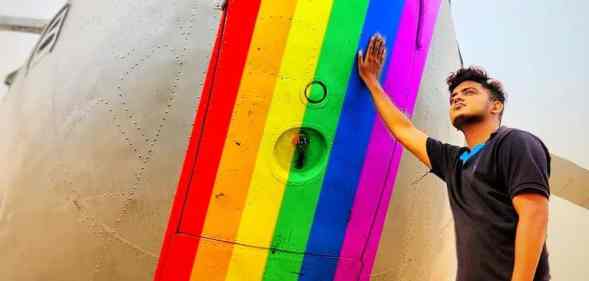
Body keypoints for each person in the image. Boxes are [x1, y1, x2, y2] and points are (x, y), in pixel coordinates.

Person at [357, 34, 550, 281]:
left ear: (496, 106)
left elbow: (534, 215)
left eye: (469, 92)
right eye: (453, 97)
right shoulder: (454, 162)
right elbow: (404, 130)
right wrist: (372, 81)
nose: (457, 97)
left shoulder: (514, 142)